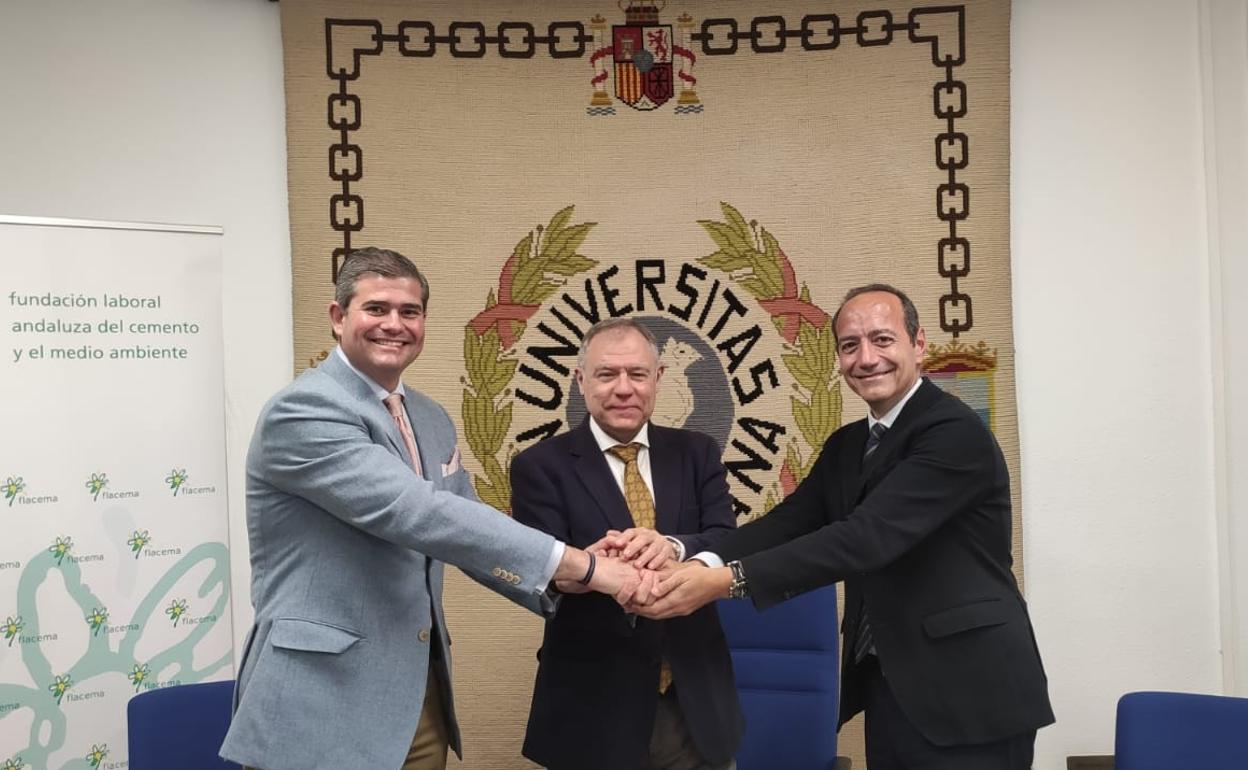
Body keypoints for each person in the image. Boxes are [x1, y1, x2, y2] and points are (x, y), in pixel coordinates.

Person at [219, 248, 649, 770]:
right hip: (320, 699)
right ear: (338, 318)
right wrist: (587, 565)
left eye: (410, 312)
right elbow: (418, 512)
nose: (394, 325)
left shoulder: (429, 416)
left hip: (416, 696)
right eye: (376, 309)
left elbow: (462, 525)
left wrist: (561, 580)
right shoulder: (303, 411)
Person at [629, 284, 1054, 769]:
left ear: (919, 345)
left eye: (883, 340)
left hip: (973, 690)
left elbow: (863, 539)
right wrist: (688, 555)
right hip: (893, 682)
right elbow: (787, 524)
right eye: (850, 346)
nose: (866, 358)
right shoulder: (849, 445)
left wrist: (724, 582)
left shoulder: (955, 433)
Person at [510, 317, 743, 770]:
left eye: (637, 374)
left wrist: (674, 547)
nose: (623, 388)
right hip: (593, 706)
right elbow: (539, 573)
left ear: (657, 379)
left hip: (694, 702)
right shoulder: (539, 466)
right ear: (580, 380)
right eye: (606, 374)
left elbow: (726, 539)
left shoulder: (697, 452)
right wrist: (586, 569)